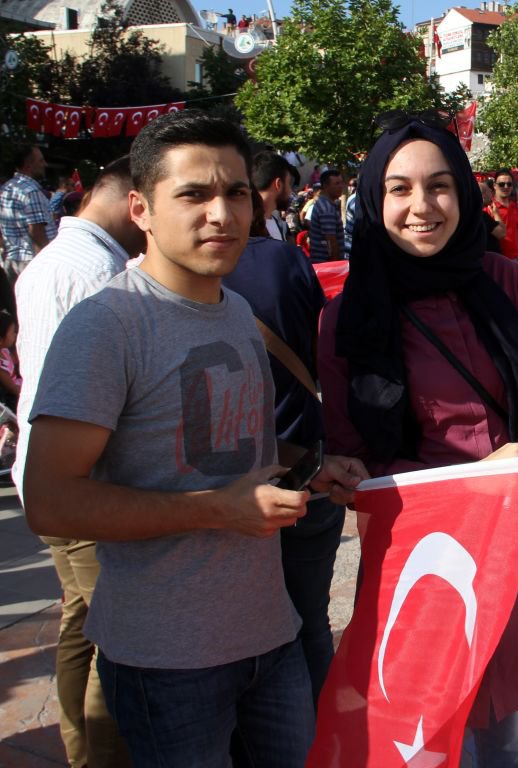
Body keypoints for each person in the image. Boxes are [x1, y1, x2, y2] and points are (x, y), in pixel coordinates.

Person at [22, 110, 367, 766]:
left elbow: (226, 443)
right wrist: (215, 510)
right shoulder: (107, 326)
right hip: (166, 660)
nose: (221, 214)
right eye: (193, 195)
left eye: (235, 192)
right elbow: (50, 500)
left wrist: (308, 466)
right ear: (142, 209)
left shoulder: (234, 310)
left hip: (270, 633)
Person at [318, 113, 518, 767]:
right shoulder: (347, 318)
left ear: (463, 193)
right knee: (421, 730)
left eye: (439, 186)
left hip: (514, 544)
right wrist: (481, 477)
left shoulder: (500, 280)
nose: (422, 207)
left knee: (504, 730)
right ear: (374, 198)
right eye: (400, 189)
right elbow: (361, 469)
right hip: (422, 560)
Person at [13, 156, 144, 768]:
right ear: (131, 201)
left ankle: (78, 749)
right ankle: (98, 755)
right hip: (83, 482)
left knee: (80, 623)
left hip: (47, 475)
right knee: (115, 635)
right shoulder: (100, 271)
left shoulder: (46, 262)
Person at [223, 192, 346, 708]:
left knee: (243, 634)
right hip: (308, 464)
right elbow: (322, 338)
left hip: (233, 485)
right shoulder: (285, 259)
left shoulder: (179, 281)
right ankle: (318, 730)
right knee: (309, 619)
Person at [0, 145, 57, 286]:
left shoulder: (6, 189)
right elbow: (36, 232)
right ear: (28, 166)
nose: (45, 164)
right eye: (41, 160)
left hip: (12, 260)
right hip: (31, 261)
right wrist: (48, 262)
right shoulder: (31, 191)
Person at [253, 150, 296, 241]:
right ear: (278, 184)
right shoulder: (245, 228)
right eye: (289, 183)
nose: (290, 191)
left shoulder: (275, 220)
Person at [308, 170, 345, 261]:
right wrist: (337, 264)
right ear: (325, 186)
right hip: (326, 263)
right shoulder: (326, 208)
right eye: (336, 184)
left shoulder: (325, 204)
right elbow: (331, 242)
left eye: (341, 182)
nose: (341, 186)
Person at [491, 168, 518, 260]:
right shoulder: (490, 208)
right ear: (495, 186)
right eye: (502, 184)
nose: (506, 187)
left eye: (509, 184)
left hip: (516, 258)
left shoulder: (514, 206)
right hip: (497, 259)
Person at [0, 310, 20, 412]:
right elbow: (13, 389)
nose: (15, 335)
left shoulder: (6, 351)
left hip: (21, 384)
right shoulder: (1, 368)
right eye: (13, 332)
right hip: (14, 398)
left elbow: (18, 363)